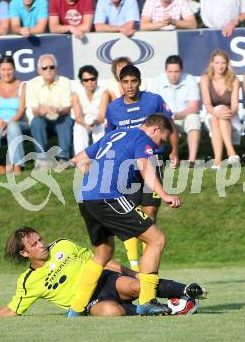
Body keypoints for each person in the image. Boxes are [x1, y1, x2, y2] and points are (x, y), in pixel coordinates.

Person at [67, 114, 181, 317]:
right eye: (162, 140)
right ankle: (147, 301)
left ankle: (76, 309)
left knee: (103, 254)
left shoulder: (115, 134)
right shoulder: (142, 139)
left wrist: (68, 164)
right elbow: (144, 166)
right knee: (157, 239)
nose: (159, 146)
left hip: (86, 197)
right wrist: (164, 194)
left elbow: (82, 156)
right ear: (155, 129)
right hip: (107, 196)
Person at [0, 226, 207, 318]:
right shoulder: (28, 281)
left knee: (136, 286)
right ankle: (163, 309)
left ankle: (186, 290)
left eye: (40, 239)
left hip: (106, 281)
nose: (41, 245)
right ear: (24, 254)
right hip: (88, 302)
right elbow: (11, 310)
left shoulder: (62, 245)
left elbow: (102, 261)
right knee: (111, 312)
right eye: (34, 244)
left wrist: (135, 274)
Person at [106, 64, 178, 271]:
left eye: (133, 81)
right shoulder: (113, 108)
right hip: (126, 167)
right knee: (132, 216)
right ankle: (136, 267)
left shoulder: (153, 100)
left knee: (149, 217)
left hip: (152, 162)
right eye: (125, 82)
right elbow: (109, 137)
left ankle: (148, 270)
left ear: (140, 81)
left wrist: (174, 151)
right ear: (120, 83)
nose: (130, 86)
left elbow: (170, 126)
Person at [152, 55, 201, 166]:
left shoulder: (190, 79)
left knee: (194, 118)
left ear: (182, 70)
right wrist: (168, 117)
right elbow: (153, 107)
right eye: (170, 71)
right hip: (164, 120)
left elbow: (193, 107)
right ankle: (159, 159)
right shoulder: (157, 81)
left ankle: (191, 160)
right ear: (165, 71)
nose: (173, 75)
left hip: (183, 118)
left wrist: (176, 115)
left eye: (176, 71)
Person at [26, 54, 73, 167]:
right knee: (36, 122)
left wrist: (58, 110)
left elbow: (67, 107)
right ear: (39, 70)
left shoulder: (65, 82)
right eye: (45, 68)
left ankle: (63, 158)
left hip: (60, 116)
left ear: (56, 68)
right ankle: (42, 160)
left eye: (51, 67)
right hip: (42, 118)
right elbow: (34, 110)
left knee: (66, 121)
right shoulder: (32, 84)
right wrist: (41, 110)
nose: (49, 70)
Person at [200, 50, 241, 169]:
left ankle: (218, 160)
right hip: (211, 113)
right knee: (216, 117)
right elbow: (207, 104)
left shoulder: (234, 79)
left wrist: (227, 114)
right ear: (212, 63)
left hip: (231, 115)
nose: (220, 66)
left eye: (223, 63)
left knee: (219, 117)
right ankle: (231, 152)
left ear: (227, 64)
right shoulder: (205, 78)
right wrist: (218, 113)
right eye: (217, 62)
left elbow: (234, 107)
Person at [72, 65, 109, 154]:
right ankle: (81, 159)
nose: (90, 82)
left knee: (100, 129)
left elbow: (102, 115)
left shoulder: (104, 93)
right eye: (86, 80)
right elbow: (78, 116)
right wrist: (86, 125)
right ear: (81, 82)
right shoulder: (76, 94)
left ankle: (101, 156)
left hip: (99, 121)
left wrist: (95, 123)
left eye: (92, 79)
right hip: (83, 121)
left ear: (96, 79)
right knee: (78, 129)